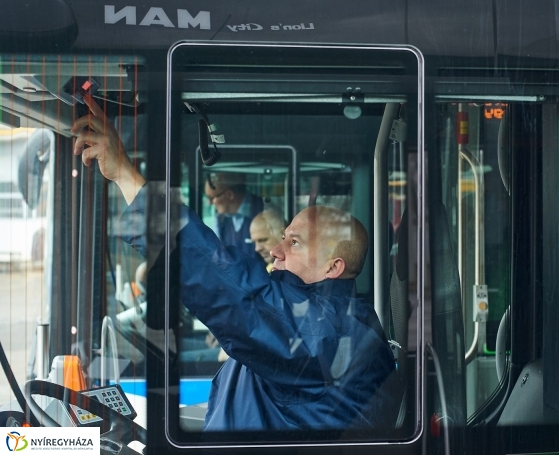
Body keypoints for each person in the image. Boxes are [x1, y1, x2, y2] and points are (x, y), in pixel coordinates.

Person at [72, 96, 398, 431]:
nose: (276, 251)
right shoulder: (321, 319)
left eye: (295, 243)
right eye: (283, 238)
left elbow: (227, 289)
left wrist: (127, 175)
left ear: (333, 267)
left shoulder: (331, 331)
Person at [204, 172, 264, 259]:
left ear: (230, 195)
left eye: (212, 198)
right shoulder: (221, 219)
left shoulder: (263, 211)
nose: (209, 203)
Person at [248, 207, 286, 272]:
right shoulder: (269, 270)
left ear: (283, 235)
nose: (257, 249)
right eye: (254, 243)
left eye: (262, 240)